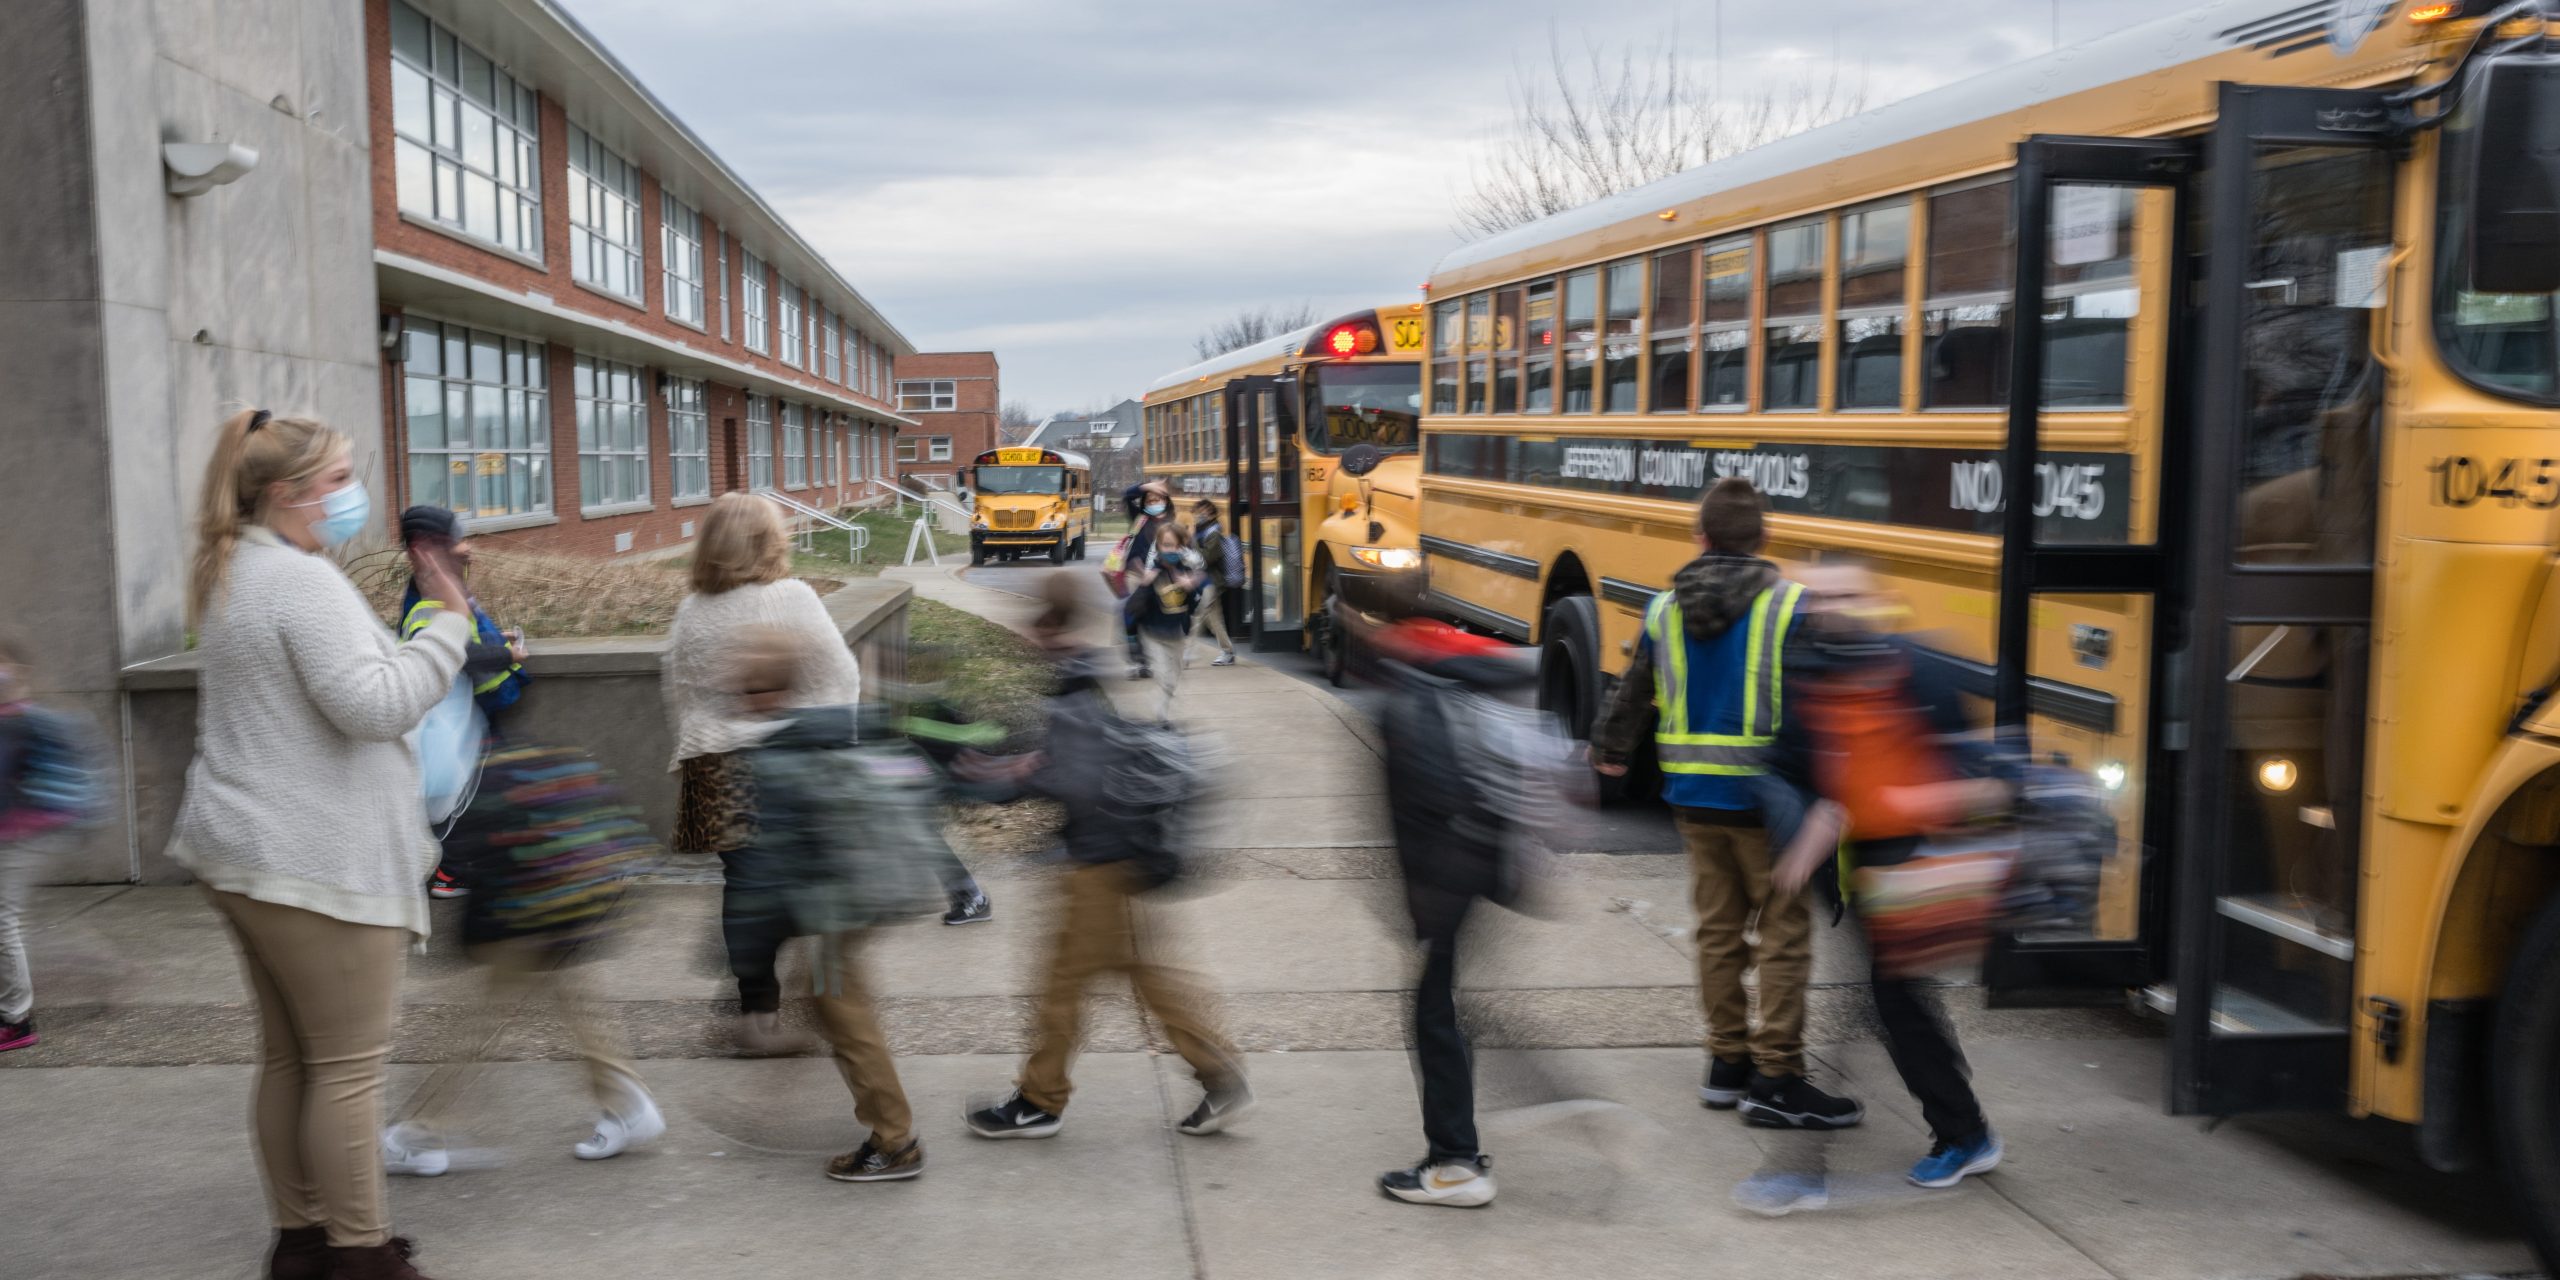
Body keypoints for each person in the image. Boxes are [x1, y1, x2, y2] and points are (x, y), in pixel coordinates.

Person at [172, 408, 472, 1280]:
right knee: (346, 1070)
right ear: (286, 495)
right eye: (338, 480)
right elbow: (374, 706)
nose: (354, 494)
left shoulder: (238, 567)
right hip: (311, 860)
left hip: (245, 849)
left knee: (290, 1058)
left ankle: (302, 1240)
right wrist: (449, 620)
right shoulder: (300, 582)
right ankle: (361, 1254)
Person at [1590, 478, 1860, 1130]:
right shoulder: (1792, 605)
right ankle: (1778, 1076)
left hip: (1694, 797)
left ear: (1701, 538)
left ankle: (1725, 1064)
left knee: (1717, 932)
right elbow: (1821, 705)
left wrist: (1611, 753)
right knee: (1782, 939)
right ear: (1764, 538)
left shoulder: (1662, 609)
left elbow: (1634, 692)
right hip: (1771, 804)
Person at [962, 575, 1253, 1141]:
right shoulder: (1086, 675)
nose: (1026, 635)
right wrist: (1026, 767)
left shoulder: (1072, 684)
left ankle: (1039, 1101)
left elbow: (1076, 777)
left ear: (1050, 626)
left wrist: (1013, 776)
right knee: (1150, 976)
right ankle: (1221, 1077)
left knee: (1062, 983)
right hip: (1119, 857)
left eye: (1036, 623)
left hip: (1098, 863)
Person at [1768, 562, 2005, 1189]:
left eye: (1846, 593)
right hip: (1864, 875)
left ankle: (1965, 1133)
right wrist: (1798, 855)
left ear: (1875, 601)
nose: (1832, 606)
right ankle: (1961, 1127)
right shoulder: (1810, 676)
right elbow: (1813, 778)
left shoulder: (1923, 669)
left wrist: (1909, 802)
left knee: (1896, 1002)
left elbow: (1973, 778)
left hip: (1919, 867)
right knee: (1897, 1003)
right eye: (1820, 596)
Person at [379, 740, 663, 1178]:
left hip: (521, 882)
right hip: (561, 866)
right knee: (566, 988)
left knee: (485, 1017)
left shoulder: (448, 754)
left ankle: (422, 1133)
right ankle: (624, 1102)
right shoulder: (498, 740)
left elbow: (448, 839)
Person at [727, 626, 948, 1183]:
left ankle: (893, 1141)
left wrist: (749, 935)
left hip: (831, 910)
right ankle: (888, 1129)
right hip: (855, 903)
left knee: (845, 1016)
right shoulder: (825, 733)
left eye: (751, 689)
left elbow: (776, 862)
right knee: (834, 1003)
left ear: (771, 694)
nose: (745, 698)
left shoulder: (778, 758)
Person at [662, 492, 861, 1057]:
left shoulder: (691, 610)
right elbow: (841, 676)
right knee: (811, 885)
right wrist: (833, 749)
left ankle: (755, 1012)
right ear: (767, 542)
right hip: (784, 766)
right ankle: (819, 997)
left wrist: (696, 752)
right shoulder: (791, 598)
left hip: (710, 766)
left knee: (745, 891)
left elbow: (675, 691)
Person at [1370, 621, 1551, 1208]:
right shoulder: (1458, 684)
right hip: (1480, 873)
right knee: (1444, 1006)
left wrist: (1426, 897)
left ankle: (1455, 1164)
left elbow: (1433, 799)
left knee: (1434, 1013)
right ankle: (1463, 1147)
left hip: (1449, 881)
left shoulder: (1414, 694)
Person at [396, 505, 529, 900]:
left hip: (466, 715)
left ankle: (462, 867)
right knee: (462, 799)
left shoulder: (438, 584)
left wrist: (494, 639)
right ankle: (449, 874)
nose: (467, 547)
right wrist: (507, 656)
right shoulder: (427, 598)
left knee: (476, 794)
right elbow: (457, 653)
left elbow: (461, 634)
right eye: (458, 540)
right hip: (448, 722)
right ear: (430, 547)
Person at [0, 631, 101, 1054]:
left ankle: (16, 1020)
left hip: (23, 834)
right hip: (14, 831)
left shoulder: (29, 721)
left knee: (2, 920)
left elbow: (78, 774)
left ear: (18, 674)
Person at [880, 644, 998, 926]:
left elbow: (960, 743)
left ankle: (973, 897)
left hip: (931, 784)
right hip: (923, 780)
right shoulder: (927, 706)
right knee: (915, 838)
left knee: (925, 840)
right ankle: (965, 896)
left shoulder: (937, 709)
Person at [1130, 520, 1206, 720]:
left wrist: (1192, 587)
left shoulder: (1185, 571)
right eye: (1166, 545)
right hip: (1153, 634)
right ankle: (1160, 715)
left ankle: (1163, 706)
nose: (1171, 550)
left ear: (1182, 548)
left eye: (1176, 546)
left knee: (1173, 679)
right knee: (1163, 675)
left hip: (1176, 635)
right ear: (1158, 546)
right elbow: (1132, 608)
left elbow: (1193, 607)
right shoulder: (1152, 572)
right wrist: (1144, 585)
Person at [1114, 481, 1175, 679]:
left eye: (1157, 499)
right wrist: (1147, 486)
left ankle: (1154, 658)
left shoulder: (1172, 524)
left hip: (1159, 578)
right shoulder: (1139, 519)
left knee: (1156, 620)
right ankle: (1137, 661)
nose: (1153, 503)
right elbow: (1127, 495)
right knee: (1130, 618)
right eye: (1150, 500)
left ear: (1166, 501)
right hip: (1136, 576)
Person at [1188, 499, 1240, 667]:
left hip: (1213, 582)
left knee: (1199, 617)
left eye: (1202, 512)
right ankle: (1228, 651)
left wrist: (1193, 542)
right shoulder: (1203, 531)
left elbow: (1207, 558)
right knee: (1213, 618)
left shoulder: (1214, 534)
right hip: (1205, 581)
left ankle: (1185, 654)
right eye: (1197, 512)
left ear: (1211, 514)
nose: (1199, 515)